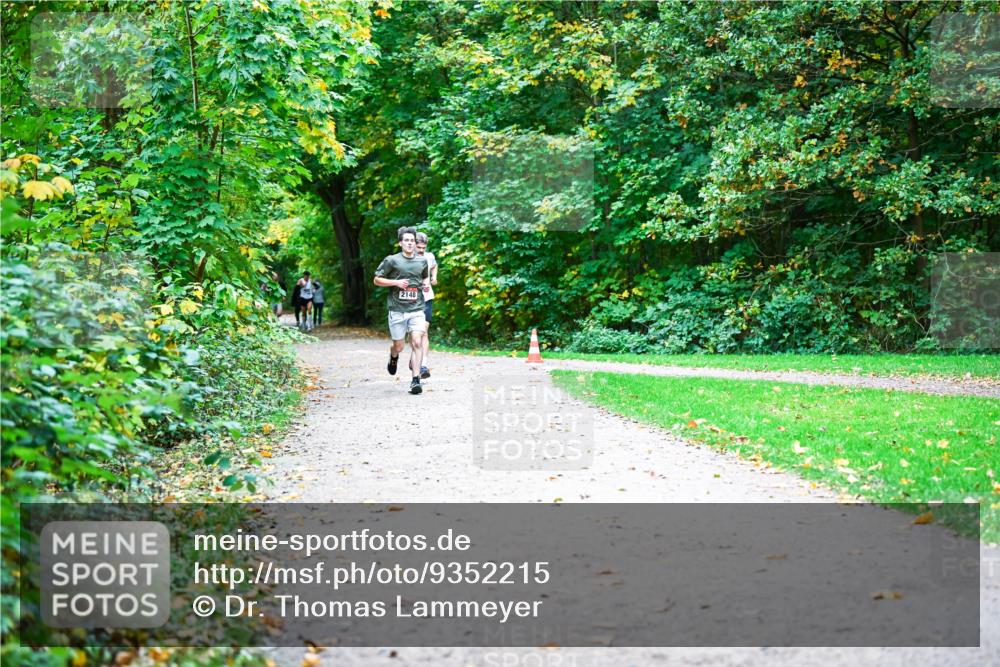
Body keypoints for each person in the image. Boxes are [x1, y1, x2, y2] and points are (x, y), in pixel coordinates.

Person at [373, 226, 429, 395]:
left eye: (412, 240)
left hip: (417, 308)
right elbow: (377, 279)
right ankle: (393, 355)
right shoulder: (392, 260)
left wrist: (425, 284)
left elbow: (425, 276)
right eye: (406, 240)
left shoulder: (422, 261)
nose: (410, 243)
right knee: (399, 346)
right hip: (397, 309)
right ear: (400, 243)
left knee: (417, 342)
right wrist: (395, 283)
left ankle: (415, 381)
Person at [415, 232, 438, 379]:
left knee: (424, 331)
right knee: (415, 334)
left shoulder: (429, 256)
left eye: (424, 247)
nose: (421, 250)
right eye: (419, 247)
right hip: (411, 300)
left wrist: (434, 277)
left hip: (427, 298)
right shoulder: (406, 258)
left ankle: (423, 365)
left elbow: (435, 266)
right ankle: (415, 359)